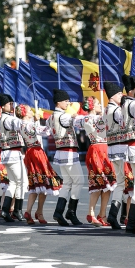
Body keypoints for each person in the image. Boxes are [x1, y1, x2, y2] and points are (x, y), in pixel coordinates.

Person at [75, 96, 116, 227]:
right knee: (98, 183)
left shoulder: (88, 119)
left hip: (103, 148)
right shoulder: (92, 119)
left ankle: (102, 214)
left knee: (108, 184)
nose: (100, 106)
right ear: (92, 106)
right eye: (98, 103)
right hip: (99, 149)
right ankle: (91, 212)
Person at [19, 103, 61, 224]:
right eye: (29, 111)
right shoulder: (30, 124)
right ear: (25, 113)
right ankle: (39, 211)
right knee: (44, 181)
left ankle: (31, 211)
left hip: (30, 151)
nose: (32, 112)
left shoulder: (21, 125)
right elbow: (46, 132)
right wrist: (42, 121)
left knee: (36, 183)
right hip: (37, 152)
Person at [48, 89, 84, 226]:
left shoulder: (51, 117)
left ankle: (59, 211)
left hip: (60, 151)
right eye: (65, 101)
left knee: (68, 183)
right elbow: (75, 121)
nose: (68, 103)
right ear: (58, 102)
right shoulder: (63, 116)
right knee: (79, 181)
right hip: (68, 152)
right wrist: (81, 117)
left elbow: (47, 128)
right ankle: (71, 211)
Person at [0, 94, 27, 222]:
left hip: (8, 153)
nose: (12, 106)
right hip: (13, 153)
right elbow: (17, 124)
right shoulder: (7, 119)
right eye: (9, 104)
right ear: (3, 106)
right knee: (22, 182)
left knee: (13, 183)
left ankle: (6, 209)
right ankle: (17, 210)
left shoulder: (3, 118)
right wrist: (26, 120)